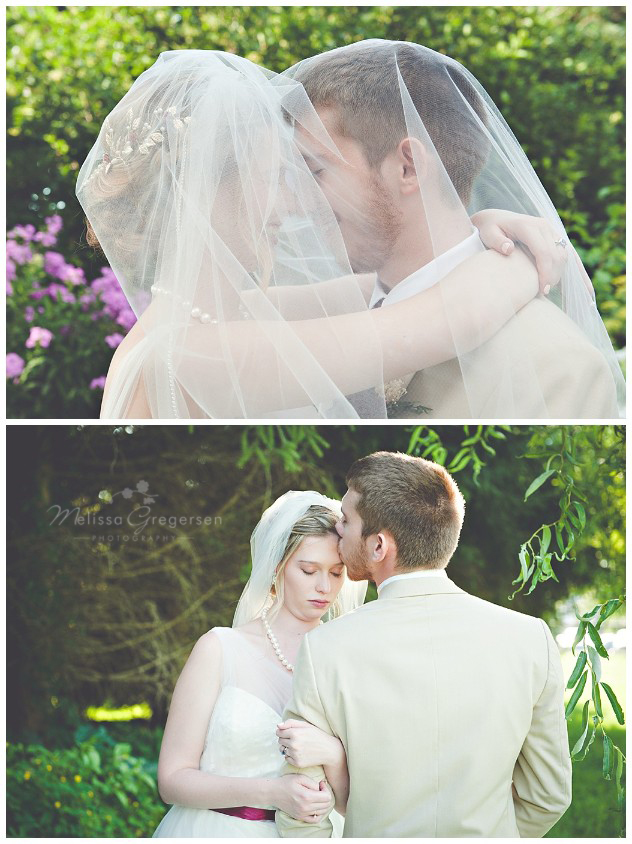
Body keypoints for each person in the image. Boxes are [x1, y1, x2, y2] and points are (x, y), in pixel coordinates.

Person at [77, 50, 566, 420]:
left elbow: (401, 285)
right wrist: (524, 257)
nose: (298, 204)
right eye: (277, 177)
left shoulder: (222, 315)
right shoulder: (186, 359)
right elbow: (453, 316)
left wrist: (479, 226)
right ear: (203, 194)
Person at [288, 40, 624, 418]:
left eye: (316, 170)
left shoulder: (558, 370)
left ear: (408, 167)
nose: (297, 202)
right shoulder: (307, 315)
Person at [276, 452, 572, 838]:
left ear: (378, 546)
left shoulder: (324, 648)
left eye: (346, 520)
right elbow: (548, 797)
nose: (338, 528)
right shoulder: (530, 639)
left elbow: (303, 811)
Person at [153, 491, 367, 837]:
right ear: (277, 567)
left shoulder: (350, 661)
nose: (324, 587)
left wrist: (334, 755)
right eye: (308, 570)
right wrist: (272, 793)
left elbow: (359, 803)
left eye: (336, 572)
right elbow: (172, 779)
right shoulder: (219, 649)